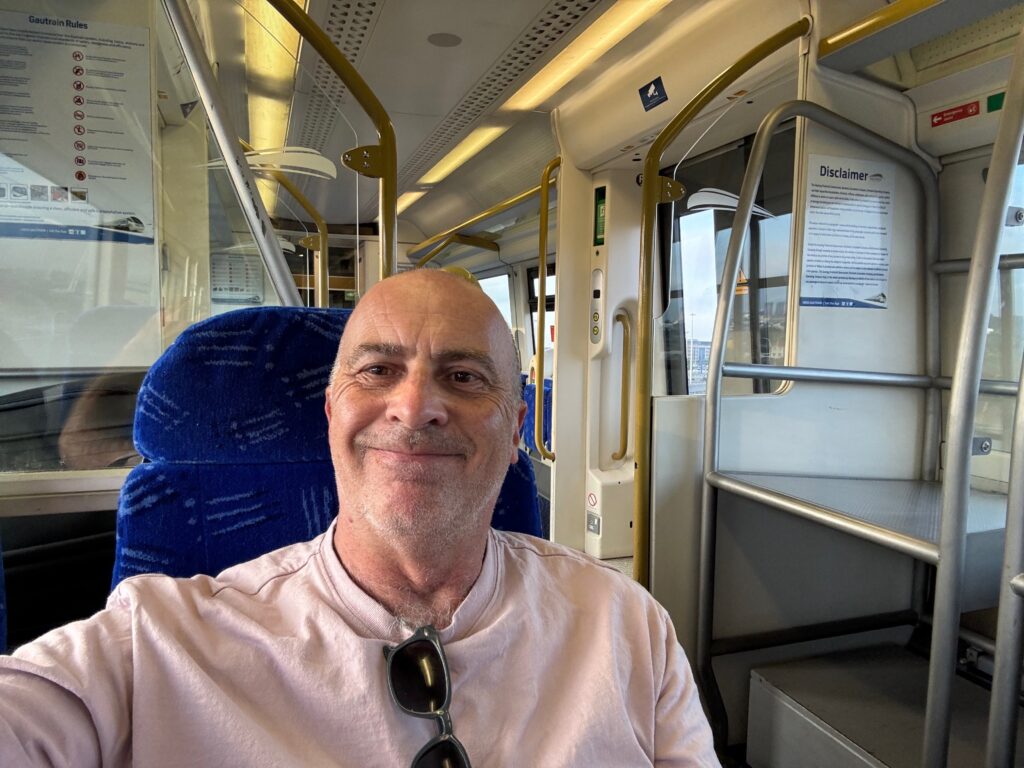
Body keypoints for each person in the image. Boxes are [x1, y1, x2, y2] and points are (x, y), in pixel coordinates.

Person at [0, 269, 719, 767]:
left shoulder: (628, 628)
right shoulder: (154, 644)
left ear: (515, 431)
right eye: (378, 371)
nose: (416, 406)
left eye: (464, 377)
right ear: (331, 413)